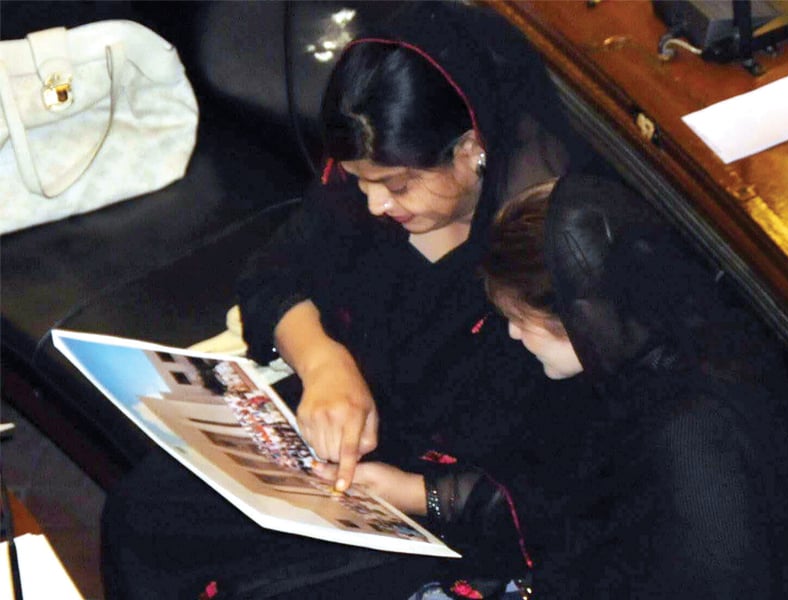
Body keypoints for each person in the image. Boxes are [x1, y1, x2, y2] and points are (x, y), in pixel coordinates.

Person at [101, 3, 608, 598]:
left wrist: (416, 493)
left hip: (445, 508)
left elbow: (567, 486)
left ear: (472, 147)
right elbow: (274, 272)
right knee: (144, 514)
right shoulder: (375, 186)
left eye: (395, 184)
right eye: (359, 180)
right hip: (335, 427)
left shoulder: (545, 257)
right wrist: (324, 364)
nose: (373, 205)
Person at [412, 173, 788, 598]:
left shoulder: (691, 434)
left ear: (583, 312)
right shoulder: (644, 375)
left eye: (520, 319)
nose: (514, 336)